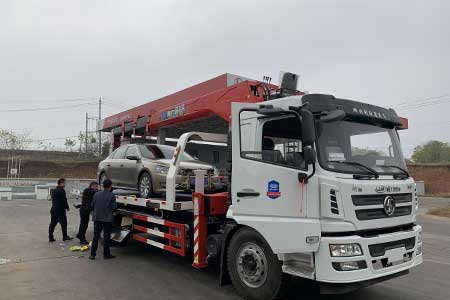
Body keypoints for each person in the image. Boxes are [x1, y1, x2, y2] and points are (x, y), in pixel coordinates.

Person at [89, 179, 117, 260]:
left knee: (95, 237)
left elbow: (92, 205)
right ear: (110, 186)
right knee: (106, 237)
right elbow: (114, 207)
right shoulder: (111, 195)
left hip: (97, 218)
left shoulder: (96, 194)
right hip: (107, 220)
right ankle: (106, 254)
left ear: (103, 185)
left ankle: (92, 255)